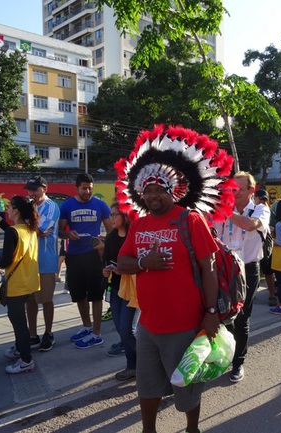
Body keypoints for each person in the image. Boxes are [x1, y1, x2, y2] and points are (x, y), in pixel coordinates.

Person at [114, 124, 234, 433]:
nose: (153, 195)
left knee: (186, 387)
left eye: (159, 189)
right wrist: (145, 262)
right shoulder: (138, 225)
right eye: (148, 190)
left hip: (184, 325)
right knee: (147, 386)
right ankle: (148, 430)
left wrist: (211, 313)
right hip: (147, 325)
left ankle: (192, 429)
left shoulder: (189, 219)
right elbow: (123, 263)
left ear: (171, 191)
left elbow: (209, 268)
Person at [213, 171, 270, 383]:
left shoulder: (260, 209)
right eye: (231, 189)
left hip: (247, 269)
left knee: (242, 317)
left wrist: (226, 212)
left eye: (238, 189)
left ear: (251, 190)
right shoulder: (222, 209)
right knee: (223, 315)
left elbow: (250, 225)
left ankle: (238, 362)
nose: (234, 193)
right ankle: (226, 356)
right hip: (224, 269)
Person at [59, 173, 112, 349]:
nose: (87, 191)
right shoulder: (67, 205)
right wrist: (68, 234)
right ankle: (87, 326)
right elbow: (60, 232)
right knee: (79, 294)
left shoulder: (100, 205)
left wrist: (104, 244)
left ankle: (96, 334)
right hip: (74, 256)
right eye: (84, 188)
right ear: (77, 188)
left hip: (94, 256)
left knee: (96, 295)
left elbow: (111, 230)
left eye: (90, 188)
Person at [0, 196, 40, 374]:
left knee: (18, 323)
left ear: (16, 211)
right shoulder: (29, 229)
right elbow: (12, 232)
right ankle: (20, 349)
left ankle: (26, 360)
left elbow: (5, 261)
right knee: (19, 319)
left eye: (9, 207)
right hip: (29, 282)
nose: (7, 210)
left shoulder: (14, 231)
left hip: (16, 284)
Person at [23, 176, 60, 353]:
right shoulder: (29, 206)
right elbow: (24, 230)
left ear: (44, 189)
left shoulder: (51, 206)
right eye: (29, 190)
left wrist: (32, 227)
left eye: (35, 190)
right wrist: (32, 228)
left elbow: (41, 229)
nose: (31, 193)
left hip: (46, 260)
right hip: (28, 261)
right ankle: (33, 335)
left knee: (46, 300)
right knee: (30, 300)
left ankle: (48, 333)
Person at [103, 203, 137, 380]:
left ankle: (145, 363)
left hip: (131, 290)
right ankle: (133, 365)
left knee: (127, 329)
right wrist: (106, 270)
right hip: (116, 288)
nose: (112, 218)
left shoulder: (134, 237)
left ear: (124, 216)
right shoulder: (110, 238)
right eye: (111, 215)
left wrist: (123, 269)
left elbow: (140, 264)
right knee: (120, 328)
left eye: (115, 214)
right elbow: (106, 261)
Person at [254, 189, 276, 306]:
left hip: (264, 242)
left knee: (268, 271)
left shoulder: (265, 209)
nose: (262, 201)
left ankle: (272, 295)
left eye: (264, 199)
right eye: (260, 199)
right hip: (254, 242)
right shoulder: (251, 208)